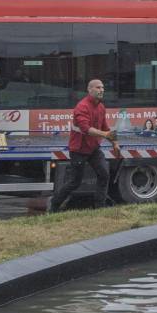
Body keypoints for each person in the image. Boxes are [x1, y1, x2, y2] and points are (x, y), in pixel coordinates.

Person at [48, 79, 114, 213]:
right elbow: (86, 129)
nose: (101, 90)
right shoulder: (81, 107)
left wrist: (115, 143)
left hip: (93, 148)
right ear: (89, 90)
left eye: (102, 87)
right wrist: (106, 135)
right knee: (75, 182)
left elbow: (106, 128)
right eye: (98, 87)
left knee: (104, 174)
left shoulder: (101, 107)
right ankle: (54, 205)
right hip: (78, 150)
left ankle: (100, 208)